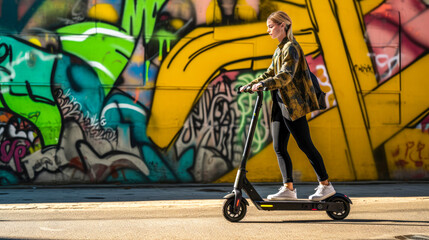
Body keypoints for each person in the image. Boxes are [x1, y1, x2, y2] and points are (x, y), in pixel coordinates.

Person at [240, 11, 335, 201]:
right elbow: (269, 73)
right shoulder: (280, 49)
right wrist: (252, 85)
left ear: (283, 25)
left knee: (305, 144)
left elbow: (285, 76)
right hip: (279, 103)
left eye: (270, 26)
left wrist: (264, 85)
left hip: (292, 105)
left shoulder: (291, 47)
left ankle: (326, 185)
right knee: (279, 146)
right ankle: (288, 188)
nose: (268, 30)